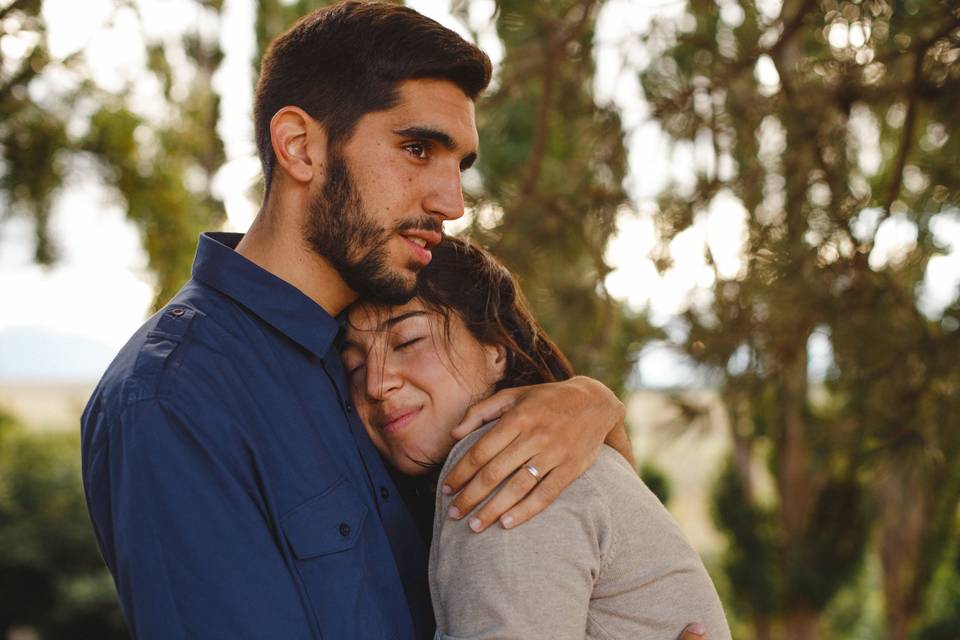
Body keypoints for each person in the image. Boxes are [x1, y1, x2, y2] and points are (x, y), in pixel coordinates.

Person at [80, 3, 670, 639]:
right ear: (300, 146)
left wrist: (590, 403)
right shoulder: (175, 400)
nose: (451, 203)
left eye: (459, 166)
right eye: (417, 149)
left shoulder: (375, 362)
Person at [342, 236, 732, 640]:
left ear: (495, 348)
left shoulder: (507, 473)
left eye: (408, 342)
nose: (375, 383)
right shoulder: (558, 456)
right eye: (354, 366)